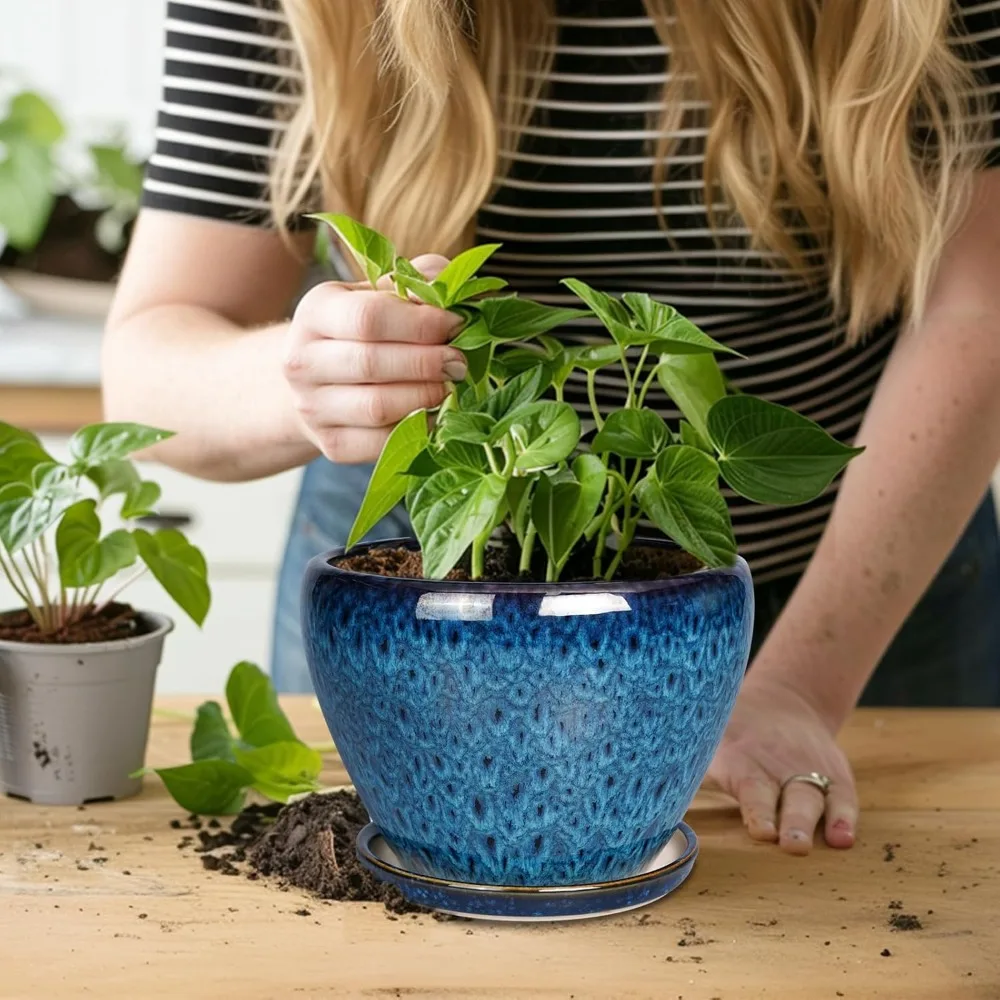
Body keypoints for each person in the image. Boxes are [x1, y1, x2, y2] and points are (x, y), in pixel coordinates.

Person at [103, 0, 1000, 855]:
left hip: (862, 589)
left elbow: (977, 309)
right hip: (420, 607)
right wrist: (307, 377)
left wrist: (802, 682)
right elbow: (149, 372)